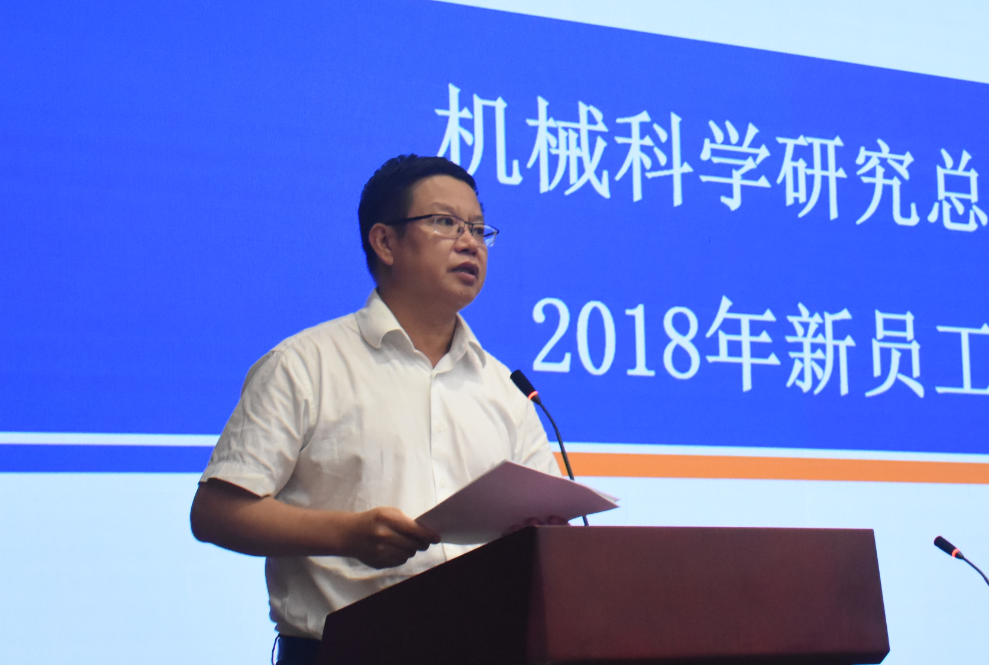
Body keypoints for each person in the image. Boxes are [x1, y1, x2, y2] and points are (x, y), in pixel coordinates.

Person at [190, 154, 562, 665]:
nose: (470, 243)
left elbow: (547, 528)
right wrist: (348, 535)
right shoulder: (305, 364)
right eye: (445, 222)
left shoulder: (505, 389)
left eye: (479, 229)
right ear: (385, 242)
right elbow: (216, 513)